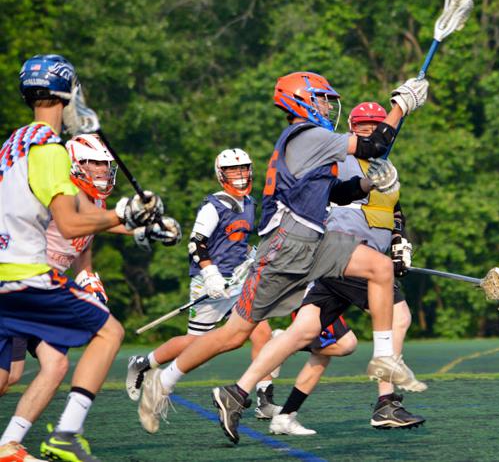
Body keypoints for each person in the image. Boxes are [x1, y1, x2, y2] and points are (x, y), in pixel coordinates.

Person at [137, 71, 428, 444]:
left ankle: (385, 361)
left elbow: (337, 194)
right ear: (302, 100)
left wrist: (369, 184)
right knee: (233, 335)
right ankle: (163, 381)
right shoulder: (307, 135)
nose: (328, 107)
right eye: (322, 99)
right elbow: (375, 146)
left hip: (314, 241)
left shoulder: (311, 140)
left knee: (380, 267)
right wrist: (401, 105)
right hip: (286, 246)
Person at [0, 54, 174, 462]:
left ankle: (8, 446)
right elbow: (70, 224)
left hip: (6, 272)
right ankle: (66, 434)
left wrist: (136, 223)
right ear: (66, 96)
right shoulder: (50, 150)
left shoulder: (15, 142)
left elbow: (81, 214)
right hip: (26, 275)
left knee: (31, 371)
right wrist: (124, 212)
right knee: (109, 332)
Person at [269, 101, 425, 436]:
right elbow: (333, 198)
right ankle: (386, 403)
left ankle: (278, 411)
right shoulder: (342, 159)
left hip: (353, 261)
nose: (368, 129)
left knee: (311, 336)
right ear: (353, 129)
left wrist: (399, 242)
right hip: (350, 256)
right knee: (399, 317)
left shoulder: (386, 167)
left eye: (375, 124)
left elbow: (394, 211)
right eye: (362, 125)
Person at [127, 148, 281, 434]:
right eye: (233, 170)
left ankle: (265, 398)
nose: (240, 175)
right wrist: (210, 275)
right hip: (210, 281)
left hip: (238, 281)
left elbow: (236, 241)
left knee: (260, 331)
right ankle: (144, 363)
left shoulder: (249, 202)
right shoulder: (214, 205)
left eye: (244, 168)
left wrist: (251, 254)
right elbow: (196, 244)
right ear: (221, 174)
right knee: (196, 343)